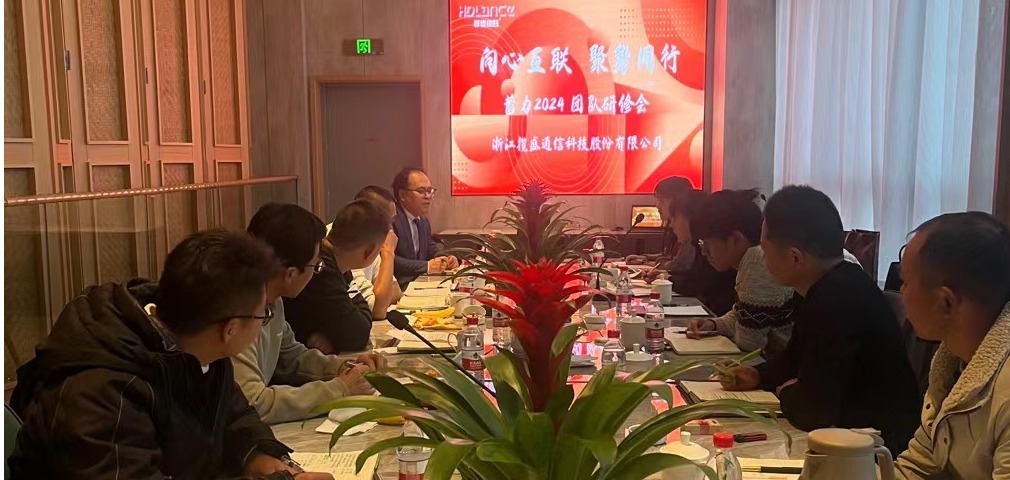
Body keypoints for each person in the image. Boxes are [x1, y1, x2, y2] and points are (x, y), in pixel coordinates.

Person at [8, 231, 333, 480]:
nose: (265, 322)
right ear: (231, 329)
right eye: (264, 314)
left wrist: (260, 457)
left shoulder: (198, 346)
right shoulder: (101, 393)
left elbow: (233, 415)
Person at [719, 185, 921, 454]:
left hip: (875, 450)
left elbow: (813, 410)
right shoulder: (829, 283)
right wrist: (758, 375)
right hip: (852, 433)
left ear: (795, 258)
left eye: (766, 252)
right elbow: (794, 360)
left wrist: (786, 392)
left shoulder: (836, 299)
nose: (763, 261)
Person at [235, 203, 385, 425]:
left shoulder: (273, 301)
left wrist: (345, 368)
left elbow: (291, 356)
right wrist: (339, 389)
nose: (316, 272)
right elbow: (254, 403)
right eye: (315, 266)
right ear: (290, 274)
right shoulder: (237, 311)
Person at [894, 212, 1010, 479]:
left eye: (906, 283)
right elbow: (918, 465)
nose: (901, 293)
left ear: (945, 302)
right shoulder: (952, 364)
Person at [683, 189, 796, 353]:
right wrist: (713, 324)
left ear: (736, 239)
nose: (704, 252)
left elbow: (749, 343)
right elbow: (742, 315)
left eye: (706, 244)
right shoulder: (751, 257)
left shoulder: (757, 260)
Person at [285, 200, 392, 354]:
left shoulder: (340, 266)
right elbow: (357, 333)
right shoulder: (321, 268)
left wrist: (332, 337)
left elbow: (358, 314)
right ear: (369, 251)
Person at [660, 189, 738, 316]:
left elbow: (703, 283)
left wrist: (669, 279)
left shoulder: (713, 246)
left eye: (674, 218)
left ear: (691, 218)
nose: (671, 225)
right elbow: (697, 277)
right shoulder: (699, 244)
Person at [390, 167, 457, 285]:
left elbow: (429, 247)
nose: (428, 196)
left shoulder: (422, 220)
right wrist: (426, 266)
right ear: (403, 195)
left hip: (420, 282)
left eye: (430, 191)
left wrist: (446, 258)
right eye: (421, 191)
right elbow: (389, 259)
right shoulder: (392, 219)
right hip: (399, 285)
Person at [348, 186, 403, 316]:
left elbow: (396, 292)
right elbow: (377, 310)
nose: (391, 229)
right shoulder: (346, 244)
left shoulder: (369, 241)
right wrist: (388, 253)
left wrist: (380, 295)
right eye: (388, 221)